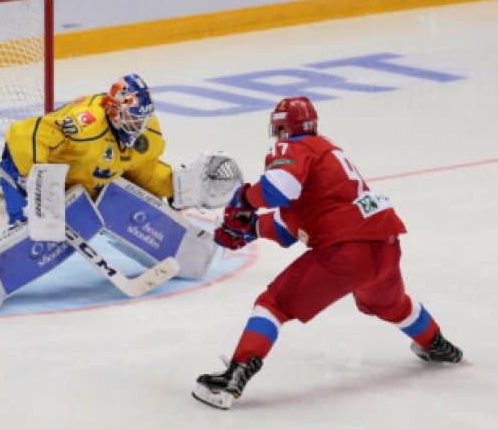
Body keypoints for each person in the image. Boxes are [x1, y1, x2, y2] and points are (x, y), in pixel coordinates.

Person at [192, 97, 463, 410]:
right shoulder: (329, 152)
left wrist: (245, 200)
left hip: (346, 251)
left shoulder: (293, 148)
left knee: (273, 304)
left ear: (282, 128)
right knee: (392, 304)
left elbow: (278, 190)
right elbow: (290, 222)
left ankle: (233, 377)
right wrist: (249, 227)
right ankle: (438, 345)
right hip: (385, 246)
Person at [0, 73, 240, 311]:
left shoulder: (146, 132)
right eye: (132, 118)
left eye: (142, 118)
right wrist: (38, 181)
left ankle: (188, 252)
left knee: (117, 200)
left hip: (84, 176)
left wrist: (177, 187)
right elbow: (24, 134)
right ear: (114, 111)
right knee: (40, 230)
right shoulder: (85, 125)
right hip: (34, 169)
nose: (138, 125)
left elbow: (140, 170)